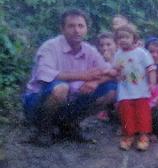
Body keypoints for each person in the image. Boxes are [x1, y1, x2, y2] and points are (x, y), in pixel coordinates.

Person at [23, 8, 118, 145]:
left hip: (69, 101)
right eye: (71, 26)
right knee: (61, 88)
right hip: (37, 103)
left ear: (86, 29)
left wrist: (96, 82)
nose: (77, 30)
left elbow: (111, 72)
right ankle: (43, 130)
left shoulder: (89, 50)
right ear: (62, 28)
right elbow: (43, 75)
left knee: (111, 90)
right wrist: (83, 76)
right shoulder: (50, 47)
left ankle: (69, 125)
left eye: (81, 26)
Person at [113, 24, 156, 151]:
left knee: (143, 113)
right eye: (120, 38)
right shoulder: (118, 54)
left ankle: (143, 136)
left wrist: (152, 83)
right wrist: (117, 74)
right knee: (126, 112)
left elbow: (151, 68)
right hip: (125, 90)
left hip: (141, 90)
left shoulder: (142, 53)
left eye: (126, 37)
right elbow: (116, 70)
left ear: (134, 38)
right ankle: (128, 136)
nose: (123, 40)